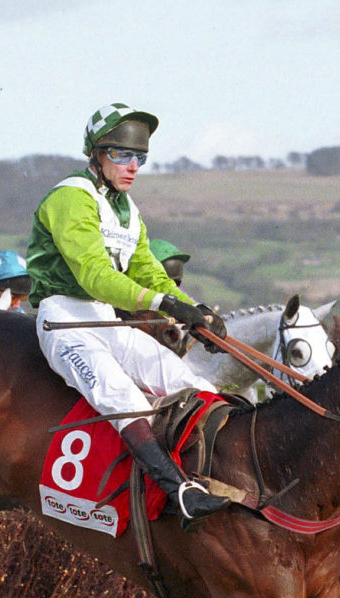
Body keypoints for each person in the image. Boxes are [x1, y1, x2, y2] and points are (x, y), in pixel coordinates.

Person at [27, 103, 230, 526]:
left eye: (139, 157)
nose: (132, 166)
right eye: (121, 155)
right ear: (96, 155)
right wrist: (163, 306)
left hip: (105, 319)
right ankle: (177, 493)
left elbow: (147, 271)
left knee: (190, 383)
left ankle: (218, 474)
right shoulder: (70, 197)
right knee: (123, 399)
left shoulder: (128, 210)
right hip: (64, 320)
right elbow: (95, 275)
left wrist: (193, 310)